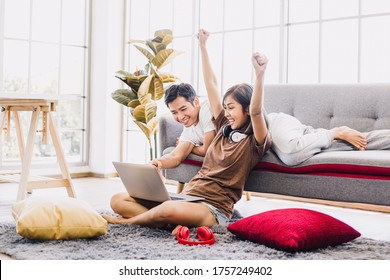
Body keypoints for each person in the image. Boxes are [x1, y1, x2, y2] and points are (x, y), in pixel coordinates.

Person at [102, 29, 271, 230]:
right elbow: (212, 85)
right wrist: (202, 46)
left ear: (246, 108)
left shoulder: (255, 142)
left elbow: (257, 112)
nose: (226, 112)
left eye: (231, 108)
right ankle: (168, 223)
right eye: (225, 107)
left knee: (167, 210)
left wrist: (260, 75)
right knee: (118, 200)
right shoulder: (223, 128)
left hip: (213, 208)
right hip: (188, 197)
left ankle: (128, 222)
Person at [267, 112, 390, 166]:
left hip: (276, 123)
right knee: (345, 143)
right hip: (301, 132)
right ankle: (334, 134)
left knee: (292, 153)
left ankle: (335, 132)